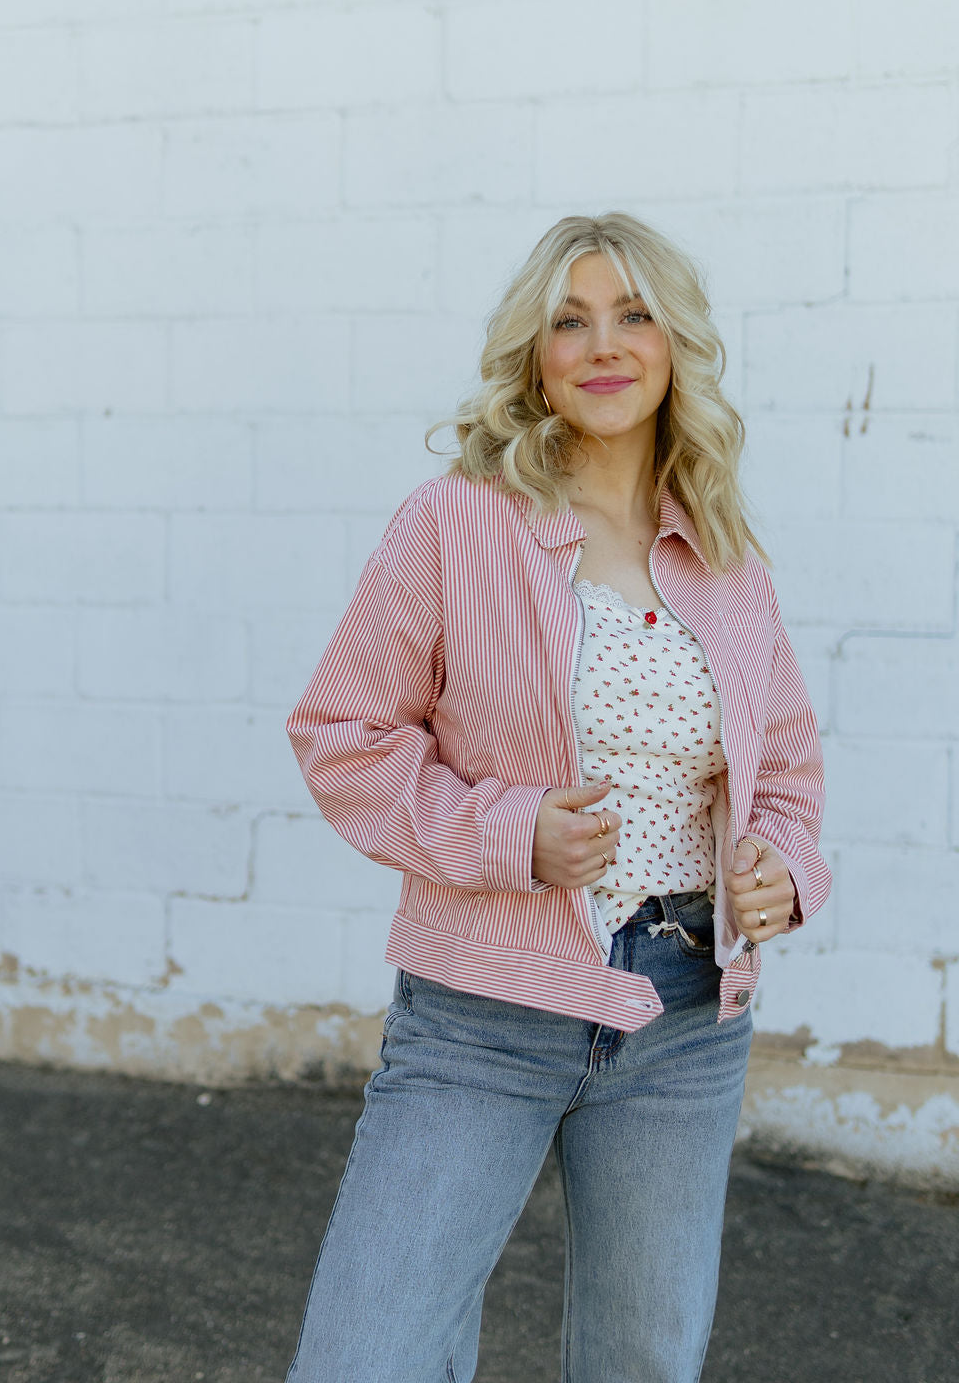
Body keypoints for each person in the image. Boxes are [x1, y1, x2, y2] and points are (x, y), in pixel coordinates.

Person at [284, 212, 830, 1383]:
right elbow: (340, 732)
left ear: (675, 344)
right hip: (480, 1015)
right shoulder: (454, 524)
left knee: (642, 1362)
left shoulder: (726, 555)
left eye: (633, 315)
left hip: (686, 1018)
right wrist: (508, 833)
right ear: (533, 355)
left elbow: (782, 765)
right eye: (568, 320)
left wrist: (782, 865)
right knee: (364, 1358)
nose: (602, 344)